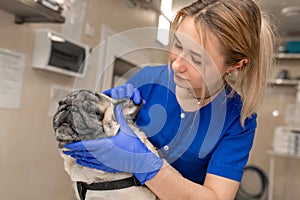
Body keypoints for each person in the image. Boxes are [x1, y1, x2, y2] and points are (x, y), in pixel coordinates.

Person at [64, 0, 275, 199]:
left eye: (196, 58)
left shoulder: (238, 121)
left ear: (234, 65)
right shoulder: (147, 80)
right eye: (178, 45)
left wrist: (142, 163)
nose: (176, 65)